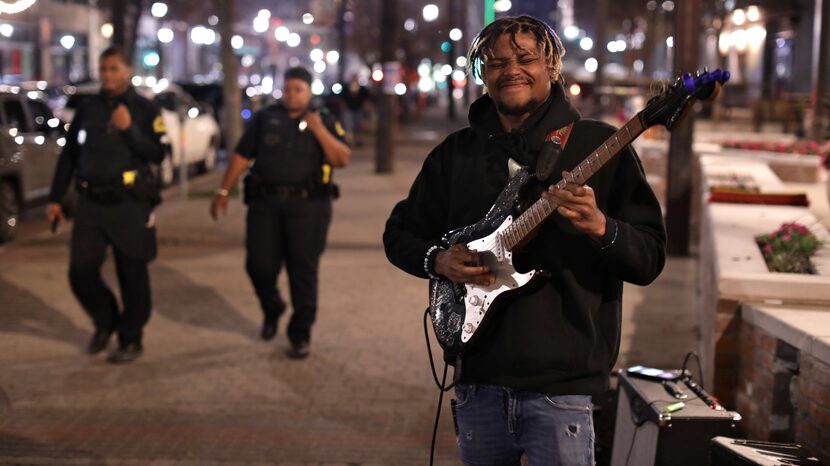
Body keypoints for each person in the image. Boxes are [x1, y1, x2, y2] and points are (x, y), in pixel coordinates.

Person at [383, 16, 666, 465]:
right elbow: (398, 235)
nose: (510, 69)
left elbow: (649, 260)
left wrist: (600, 227)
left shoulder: (599, 146)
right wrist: (438, 260)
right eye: (495, 62)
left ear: (551, 66)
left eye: (524, 57)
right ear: (483, 74)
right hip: (478, 382)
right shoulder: (456, 154)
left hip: (563, 391)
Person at [211, 67, 351, 360]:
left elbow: (342, 159)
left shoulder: (323, 119)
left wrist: (319, 130)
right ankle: (272, 307)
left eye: (298, 89)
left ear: (309, 91)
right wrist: (223, 191)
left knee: (303, 272)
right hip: (265, 206)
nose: (291, 94)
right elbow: (241, 155)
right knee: (258, 266)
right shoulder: (266, 118)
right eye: (287, 89)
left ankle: (300, 335)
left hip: (309, 207)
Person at [48, 46, 166, 364]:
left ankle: (131, 337)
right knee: (80, 272)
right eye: (103, 69)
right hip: (90, 203)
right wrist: (56, 197)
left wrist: (130, 129)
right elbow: (70, 154)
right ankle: (106, 320)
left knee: (132, 275)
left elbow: (157, 154)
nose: (107, 75)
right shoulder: (88, 108)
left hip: (128, 203)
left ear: (128, 71)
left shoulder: (144, 109)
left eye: (113, 69)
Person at [340, 74, 370, 146]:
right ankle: (349, 140)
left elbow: (365, 100)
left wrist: (366, 110)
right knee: (348, 126)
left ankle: (359, 140)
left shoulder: (362, 89)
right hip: (349, 110)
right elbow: (342, 100)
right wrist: (343, 109)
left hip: (359, 109)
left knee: (359, 126)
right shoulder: (346, 88)